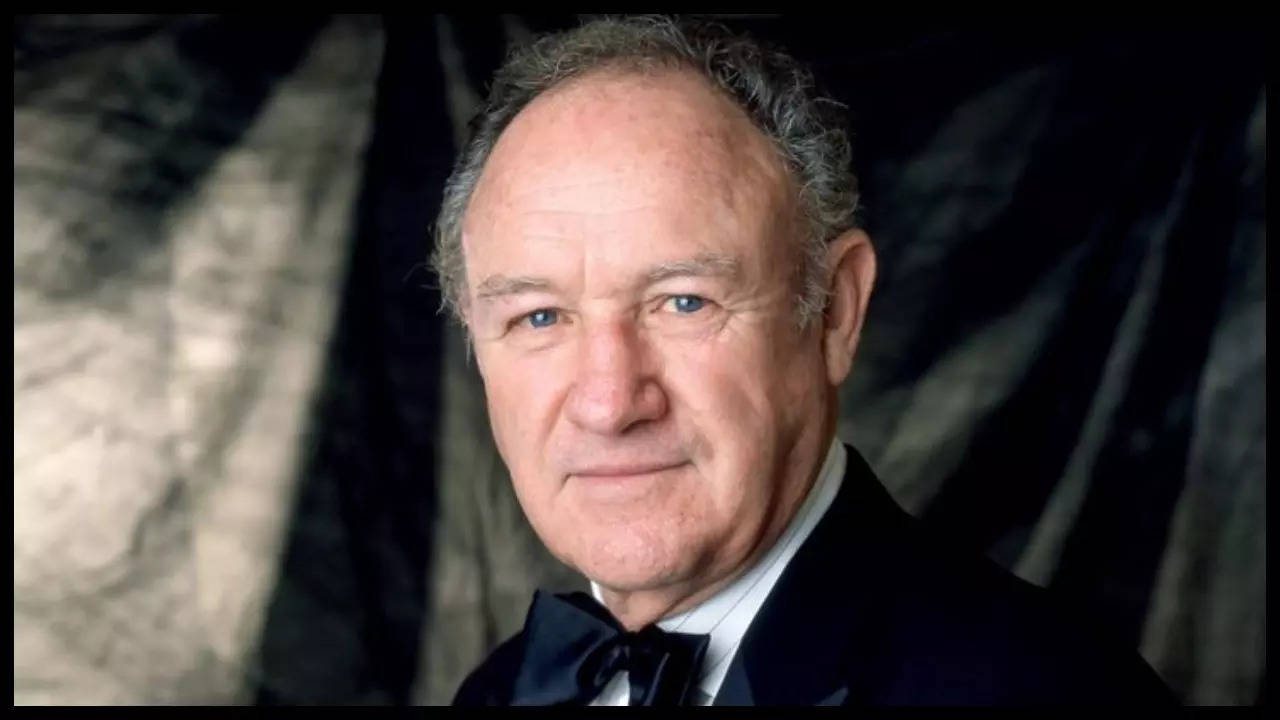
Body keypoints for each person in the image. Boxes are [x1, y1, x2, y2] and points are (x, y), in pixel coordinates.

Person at [430, 15, 1176, 706]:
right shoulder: (498, 693)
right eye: (539, 316)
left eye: (683, 302)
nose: (609, 403)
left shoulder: (1053, 691)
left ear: (834, 312)